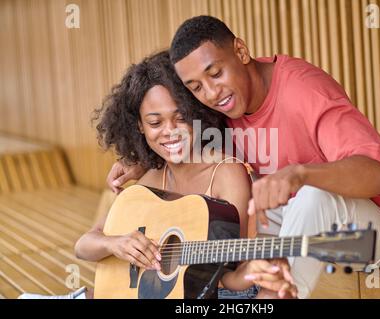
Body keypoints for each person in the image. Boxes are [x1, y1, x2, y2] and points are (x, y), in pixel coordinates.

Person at [107, 16, 380, 298]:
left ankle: (275, 295)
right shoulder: (226, 106)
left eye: (215, 73)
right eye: (196, 88)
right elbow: (187, 141)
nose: (212, 93)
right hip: (304, 230)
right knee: (228, 204)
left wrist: (301, 174)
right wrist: (141, 161)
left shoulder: (304, 90)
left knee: (311, 197)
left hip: (373, 233)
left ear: (241, 52)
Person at [18, 50, 297, 299]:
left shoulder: (226, 174)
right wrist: (115, 244)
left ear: (197, 115)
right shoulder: (152, 177)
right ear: (139, 126)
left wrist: (257, 273)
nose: (170, 131)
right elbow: (84, 246)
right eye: (155, 122)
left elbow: (227, 275)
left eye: (181, 117)